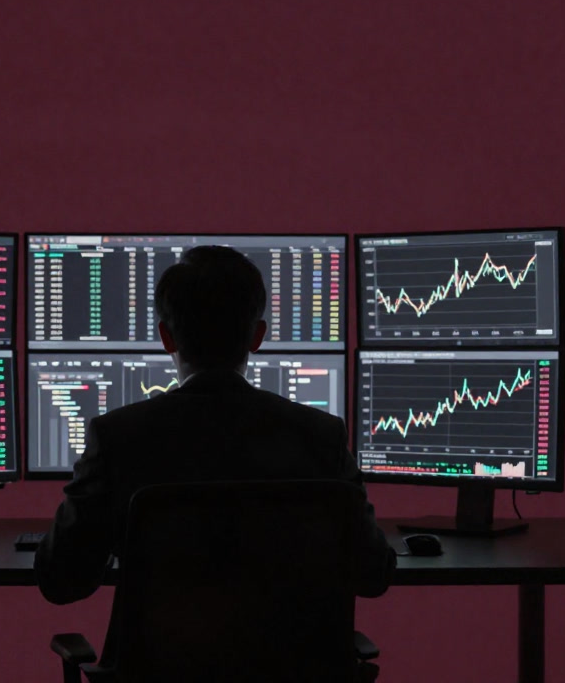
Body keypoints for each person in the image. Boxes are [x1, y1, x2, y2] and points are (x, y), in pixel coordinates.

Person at [34, 245, 396, 668]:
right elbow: (374, 575)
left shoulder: (117, 437)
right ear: (258, 336)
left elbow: (60, 580)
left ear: (165, 336)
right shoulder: (322, 437)